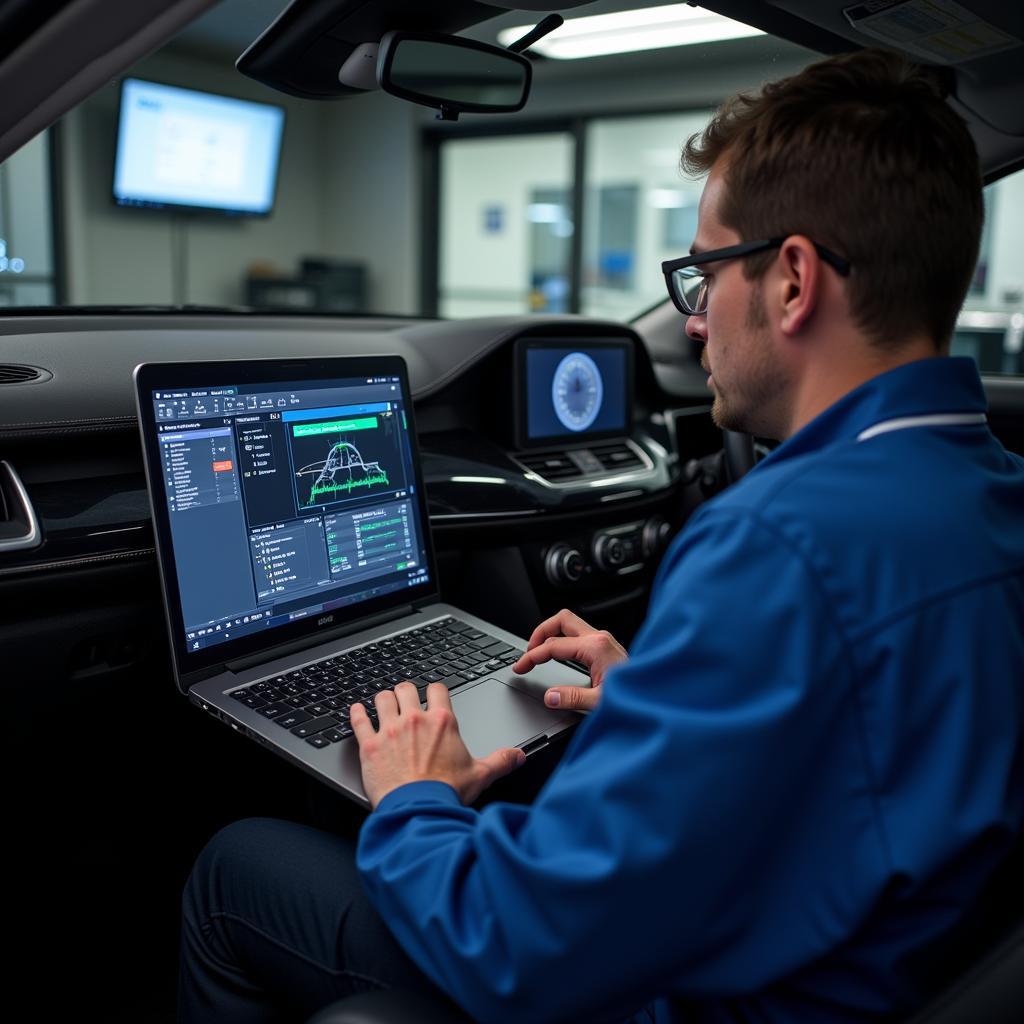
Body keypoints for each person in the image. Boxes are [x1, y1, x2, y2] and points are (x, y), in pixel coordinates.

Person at [178, 49, 1024, 1023]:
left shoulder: (781, 548)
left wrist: (415, 799)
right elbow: (874, 740)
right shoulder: (989, 493)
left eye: (702, 275)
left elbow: (517, 946)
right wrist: (667, 694)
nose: (695, 323)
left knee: (233, 867)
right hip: (882, 959)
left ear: (792, 282)